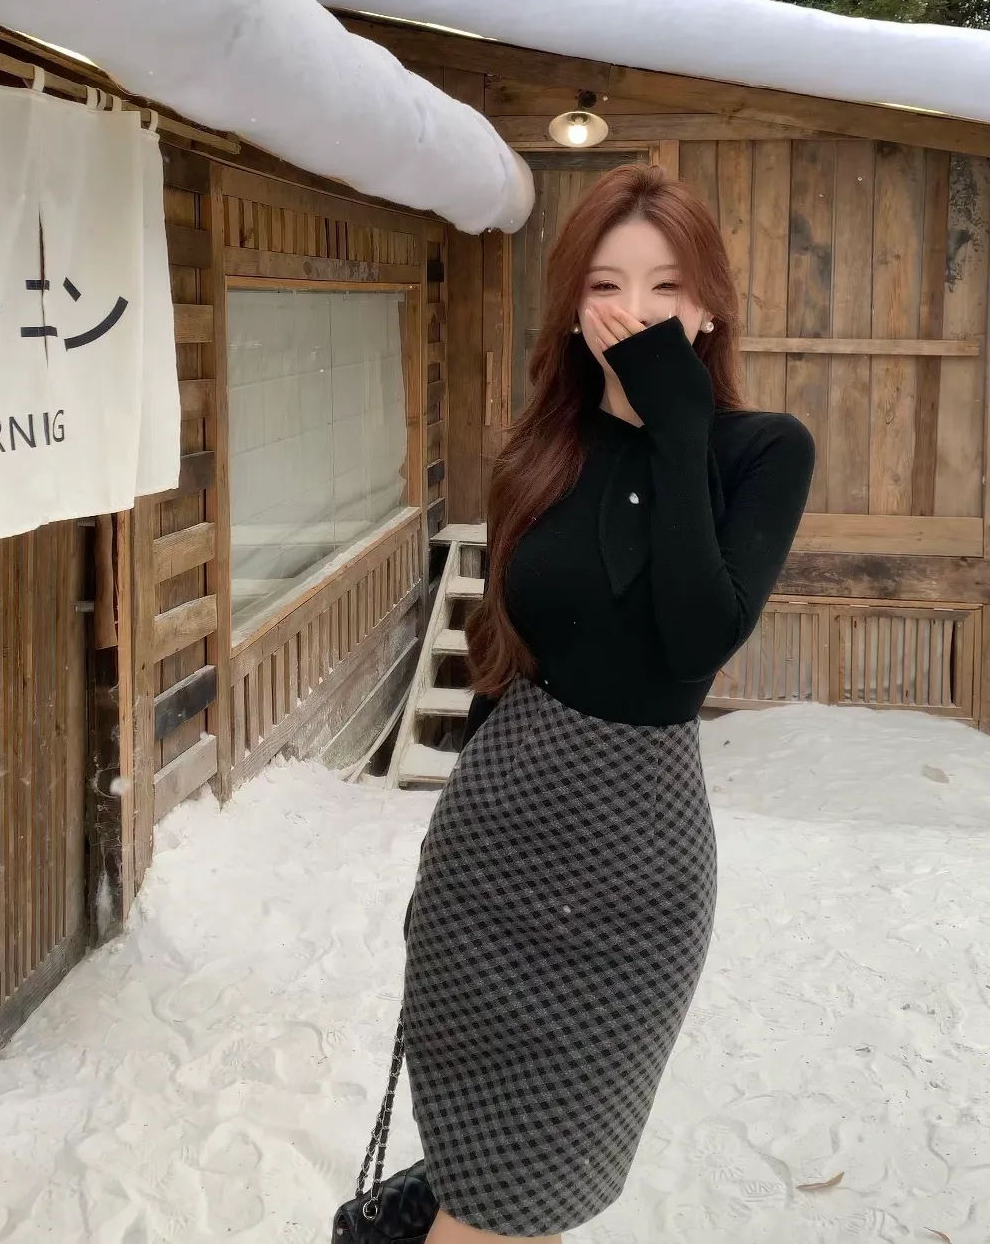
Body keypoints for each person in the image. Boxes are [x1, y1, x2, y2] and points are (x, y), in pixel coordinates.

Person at [401, 164, 815, 1243]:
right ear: (574, 310)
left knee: (527, 1192)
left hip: (633, 886)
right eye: (606, 286)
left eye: (666, 287)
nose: (636, 312)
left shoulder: (763, 451)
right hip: (489, 870)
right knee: (479, 1188)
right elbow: (500, 654)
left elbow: (697, 641)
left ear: (708, 305)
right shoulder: (545, 453)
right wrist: (443, 856)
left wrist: (674, 425)